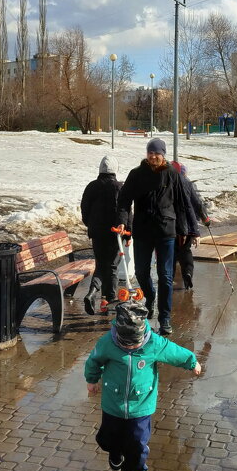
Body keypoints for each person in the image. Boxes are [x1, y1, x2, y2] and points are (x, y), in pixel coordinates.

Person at [85, 300, 201, 471]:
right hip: (113, 404)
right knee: (106, 438)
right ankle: (114, 451)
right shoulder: (107, 342)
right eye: (126, 343)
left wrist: (192, 362)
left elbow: (174, 352)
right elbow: (94, 360)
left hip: (141, 406)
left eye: (135, 343)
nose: (131, 346)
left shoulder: (153, 343)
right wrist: (92, 380)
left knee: (137, 445)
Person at [118, 138, 192, 335]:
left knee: (165, 276)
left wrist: (183, 229)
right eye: (150, 153)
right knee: (141, 272)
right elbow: (124, 199)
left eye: (156, 153)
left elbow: (182, 203)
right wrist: (123, 220)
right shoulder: (136, 174)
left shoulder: (172, 174)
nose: (153, 156)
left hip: (166, 230)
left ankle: (165, 317)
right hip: (142, 231)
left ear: (163, 154)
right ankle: (150, 298)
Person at [81, 155, 130, 315]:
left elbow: (85, 210)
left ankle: (94, 294)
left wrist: (91, 225)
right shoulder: (119, 187)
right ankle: (109, 298)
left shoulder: (91, 186)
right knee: (112, 266)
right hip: (114, 234)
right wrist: (129, 234)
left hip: (96, 234)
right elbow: (126, 211)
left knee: (101, 265)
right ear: (115, 169)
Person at [171, 162, 210, 292]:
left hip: (169, 225)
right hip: (186, 226)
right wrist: (206, 219)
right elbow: (197, 204)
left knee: (170, 253)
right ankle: (187, 272)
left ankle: (168, 279)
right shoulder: (188, 184)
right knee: (185, 251)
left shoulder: (166, 183)